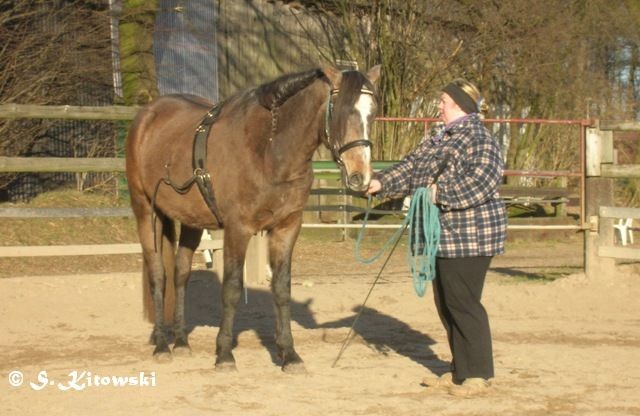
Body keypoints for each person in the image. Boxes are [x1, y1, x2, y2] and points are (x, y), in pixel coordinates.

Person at [366, 79, 507, 397]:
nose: (439, 106)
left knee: (464, 303)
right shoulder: (436, 139)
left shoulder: (480, 139)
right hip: (440, 235)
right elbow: (410, 167)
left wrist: (438, 193)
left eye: (443, 101)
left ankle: (478, 374)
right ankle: (460, 370)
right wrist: (379, 183)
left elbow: (482, 182)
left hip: (470, 236)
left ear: (459, 105)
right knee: (446, 303)